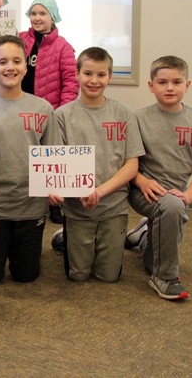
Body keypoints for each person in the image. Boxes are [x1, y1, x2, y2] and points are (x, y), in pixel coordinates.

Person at [0, 34, 57, 285]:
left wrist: (55, 189)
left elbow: (53, 156)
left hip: (31, 205)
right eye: (3, 62)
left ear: (25, 67)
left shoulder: (43, 108)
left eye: (17, 61)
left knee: (26, 276)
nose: (10, 67)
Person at [48, 47, 144, 282]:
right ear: (77, 74)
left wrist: (99, 191)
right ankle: (66, 236)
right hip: (78, 208)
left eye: (101, 75)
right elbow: (56, 165)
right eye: (88, 73)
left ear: (110, 77)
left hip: (114, 205)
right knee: (78, 275)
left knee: (107, 276)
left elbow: (131, 165)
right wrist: (57, 191)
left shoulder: (124, 113)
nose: (94, 80)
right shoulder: (61, 115)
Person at [125, 56, 192, 300]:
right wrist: (142, 181)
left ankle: (144, 235)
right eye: (162, 82)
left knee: (152, 258)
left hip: (176, 197)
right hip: (142, 189)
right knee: (171, 216)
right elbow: (128, 162)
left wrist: (189, 195)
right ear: (151, 85)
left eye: (177, 82)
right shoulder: (137, 118)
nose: (170, 87)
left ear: (187, 85)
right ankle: (165, 278)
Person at [19, 0, 78, 224]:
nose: (37, 18)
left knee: (49, 158)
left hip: (50, 111)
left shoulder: (63, 46)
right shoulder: (20, 39)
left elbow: (71, 82)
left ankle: (54, 204)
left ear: (53, 17)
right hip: (21, 108)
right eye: (33, 13)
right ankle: (28, 201)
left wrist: (60, 112)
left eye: (42, 13)